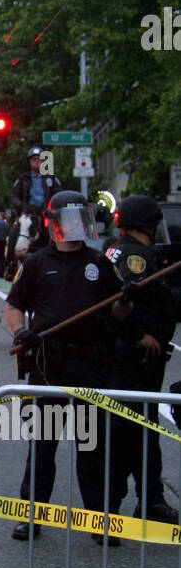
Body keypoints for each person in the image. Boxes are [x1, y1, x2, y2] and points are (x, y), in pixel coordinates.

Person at [5, 190, 127, 545]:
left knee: (91, 448)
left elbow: (118, 313)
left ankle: (97, 519)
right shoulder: (37, 263)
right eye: (69, 218)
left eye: (80, 217)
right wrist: (21, 330)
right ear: (54, 222)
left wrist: (126, 299)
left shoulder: (100, 264)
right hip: (49, 363)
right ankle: (32, 515)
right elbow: (14, 306)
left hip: (90, 363)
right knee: (43, 445)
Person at [104, 195, 179, 523]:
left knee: (141, 428)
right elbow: (121, 303)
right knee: (134, 429)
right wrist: (140, 336)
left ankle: (148, 498)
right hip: (135, 357)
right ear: (148, 224)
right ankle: (124, 503)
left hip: (138, 358)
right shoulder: (135, 258)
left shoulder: (121, 250)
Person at [11, 148, 63, 219]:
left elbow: (59, 194)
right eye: (33, 159)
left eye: (39, 159)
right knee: (17, 229)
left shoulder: (51, 178)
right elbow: (14, 195)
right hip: (28, 214)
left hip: (47, 214)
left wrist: (52, 208)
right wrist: (21, 205)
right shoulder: (23, 178)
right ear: (29, 161)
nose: (36, 161)